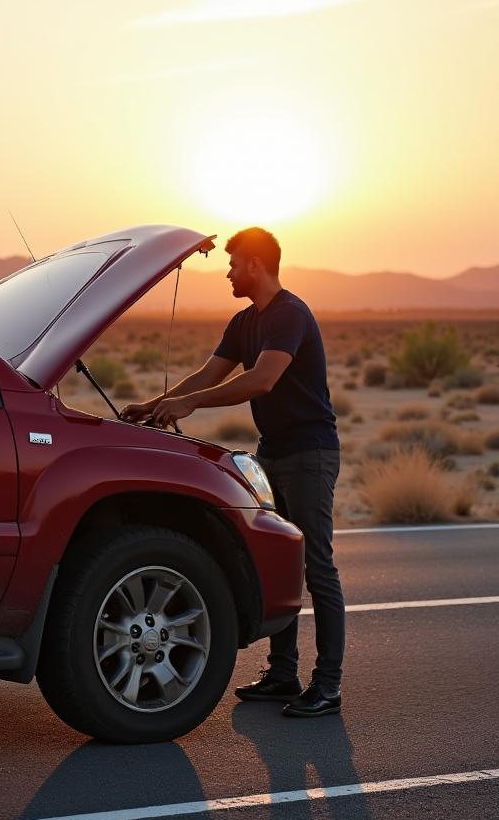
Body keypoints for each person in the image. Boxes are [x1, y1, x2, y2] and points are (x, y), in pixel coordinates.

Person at [120, 227, 344, 717]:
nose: (228, 272)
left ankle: (327, 685)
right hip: (273, 453)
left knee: (317, 568)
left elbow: (262, 381)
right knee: (283, 564)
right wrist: (156, 405)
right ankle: (283, 675)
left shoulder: (290, 314)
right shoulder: (244, 322)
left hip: (310, 454)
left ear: (257, 266)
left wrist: (191, 403)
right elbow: (207, 375)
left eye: (234, 264)